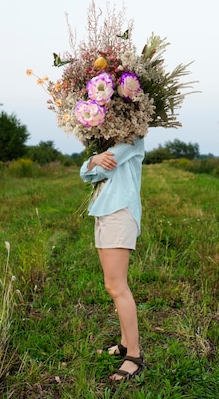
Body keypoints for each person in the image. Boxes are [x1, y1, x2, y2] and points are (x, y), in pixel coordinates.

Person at [80, 137, 147, 381]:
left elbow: (101, 167)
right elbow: (86, 173)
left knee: (116, 286)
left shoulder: (132, 138)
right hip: (104, 212)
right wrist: (93, 160)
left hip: (119, 213)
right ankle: (124, 343)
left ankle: (134, 356)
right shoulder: (109, 140)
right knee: (114, 285)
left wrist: (94, 161)